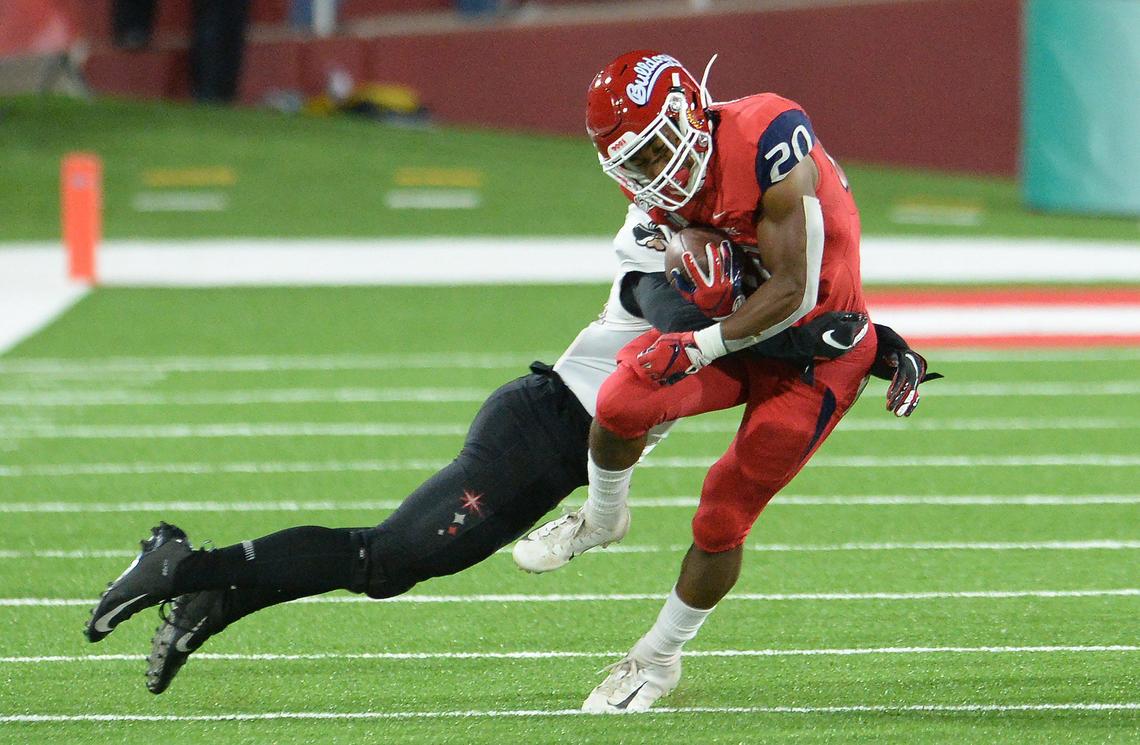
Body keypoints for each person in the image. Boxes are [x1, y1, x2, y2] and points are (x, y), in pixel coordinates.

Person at [82, 93, 933, 702]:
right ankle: (187, 564)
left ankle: (211, 589)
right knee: (388, 559)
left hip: (602, 408)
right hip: (550, 424)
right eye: (638, 168)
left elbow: (791, 276)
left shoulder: (746, 182)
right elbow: (700, 315)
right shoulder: (657, 240)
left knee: (384, 559)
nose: (656, 180)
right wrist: (728, 296)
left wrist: (860, 334)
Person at [512, 50, 931, 713]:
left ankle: (657, 657)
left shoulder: (768, 135)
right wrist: (700, 283)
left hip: (816, 351)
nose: (652, 174)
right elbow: (712, 268)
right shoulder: (654, 183)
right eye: (637, 164)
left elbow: (794, 291)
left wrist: (701, 343)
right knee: (622, 398)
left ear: (687, 113)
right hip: (746, 328)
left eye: (655, 153)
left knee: (722, 511)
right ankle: (602, 516)